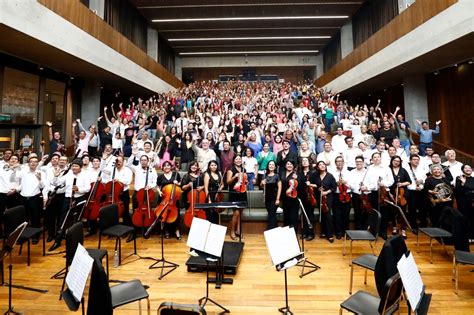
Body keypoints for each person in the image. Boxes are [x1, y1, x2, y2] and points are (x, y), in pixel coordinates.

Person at [48, 159, 91, 252]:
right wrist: (55, 176)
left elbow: (88, 188)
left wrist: (78, 189)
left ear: (80, 167)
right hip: (68, 199)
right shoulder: (69, 174)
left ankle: (76, 244)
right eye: (73, 166)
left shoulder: (85, 175)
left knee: (77, 221)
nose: (74, 168)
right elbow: (57, 183)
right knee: (63, 220)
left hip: (79, 199)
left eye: (76, 166)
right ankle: (57, 241)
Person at [361, 152, 394, 239]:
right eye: (374, 157)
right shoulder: (369, 168)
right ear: (372, 160)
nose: (376, 159)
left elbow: (391, 181)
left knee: (384, 213)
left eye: (378, 157)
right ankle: (374, 232)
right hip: (373, 193)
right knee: (374, 213)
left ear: (380, 158)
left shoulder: (386, 168)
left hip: (383, 193)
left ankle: (383, 232)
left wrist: (383, 183)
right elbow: (367, 181)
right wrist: (367, 186)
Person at [16, 156, 45, 244]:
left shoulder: (41, 172)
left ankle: (35, 236)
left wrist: (40, 179)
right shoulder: (23, 172)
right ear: (28, 163)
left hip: (34, 199)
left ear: (37, 163)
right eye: (31, 161)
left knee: (35, 219)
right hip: (23, 199)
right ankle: (22, 237)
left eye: (35, 161)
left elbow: (42, 186)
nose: (33, 163)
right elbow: (15, 179)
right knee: (23, 219)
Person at [309, 161, 337, 242]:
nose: (322, 166)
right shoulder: (314, 175)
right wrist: (315, 187)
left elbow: (334, 187)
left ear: (325, 166)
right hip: (318, 197)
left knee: (327, 215)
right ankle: (323, 232)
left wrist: (326, 192)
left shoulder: (330, 176)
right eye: (320, 165)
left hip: (328, 197)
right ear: (317, 167)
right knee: (322, 214)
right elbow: (312, 184)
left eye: (323, 164)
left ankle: (330, 235)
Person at [156, 161, 182, 239]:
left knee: (176, 215)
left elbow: (181, 184)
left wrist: (177, 183)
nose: (166, 167)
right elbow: (157, 186)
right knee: (164, 214)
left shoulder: (175, 175)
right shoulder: (160, 176)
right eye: (165, 166)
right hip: (164, 198)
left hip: (174, 199)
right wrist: (159, 191)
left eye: (168, 165)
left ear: (171, 167)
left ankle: (177, 230)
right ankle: (166, 230)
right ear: (162, 168)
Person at [388, 155, 412, 239]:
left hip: (402, 194)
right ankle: (394, 227)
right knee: (392, 211)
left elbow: (409, 182)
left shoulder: (403, 170)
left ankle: (403, 230)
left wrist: (402, 184)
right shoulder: (388, 169)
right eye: (395, 160)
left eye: (398, 161)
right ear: (392, 161)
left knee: (403, 212)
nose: (396, 162)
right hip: (391, 193)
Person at [226, 155, 248, 240]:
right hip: (234, 193)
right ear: (234, 161)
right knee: (236, 213)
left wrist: (246, 182)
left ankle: (238, 231)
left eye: (240, 159)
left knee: (240, 213)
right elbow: (228, 182)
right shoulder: (231, 170)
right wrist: (235, 176)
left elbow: (244, 182)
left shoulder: (243, 170)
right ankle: (232, 231)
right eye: (236, 159)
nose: (238, 160)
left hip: (242, 193)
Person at [330, 156, 352, 239]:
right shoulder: (332, 173)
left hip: (347, 195)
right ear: (335, 163)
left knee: (346, 215)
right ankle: (338, 232)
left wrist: (345, 183)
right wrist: (336, 184)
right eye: (337, 161)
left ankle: (346, 232)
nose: (339, 163)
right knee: (337, 215)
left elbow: (352, 186)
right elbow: (331, 185)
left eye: (341, 161)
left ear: (343, 162)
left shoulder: (349, 173)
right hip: (336, 195)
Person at [406, 154, 427, 233]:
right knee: (412, 210)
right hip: (412, 192)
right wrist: (414, 187)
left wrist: (421, 182)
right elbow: (407, 181)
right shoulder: (407, 170)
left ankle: (423, 226)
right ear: (410, 161)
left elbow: (425, 179)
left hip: (421, 191)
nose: (416, 161)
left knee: (423, 209)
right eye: (414, 159)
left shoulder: (422, 169)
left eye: (417, 159)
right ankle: (414, 226)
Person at [455, 165, 474, 241]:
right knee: (465, 219)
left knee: (473, 219)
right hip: (463, 202)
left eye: (469, 168)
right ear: (462, 170)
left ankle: (472, 236)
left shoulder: (473, 179)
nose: (468, 169)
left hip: (472, 200)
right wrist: (465, 184)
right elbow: (458, 190)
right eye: (466, 168)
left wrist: (465, 184)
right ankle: (465, 237)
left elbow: (472, 188)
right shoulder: (459, 178)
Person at [261, 160, 281, 230]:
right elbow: (262, 186)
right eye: (270, 164)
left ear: (275, 167)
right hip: (267, 198)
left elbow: (279, 188)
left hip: (274, 198)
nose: (271, 166)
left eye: (273, 165)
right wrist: (262, 183)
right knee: (271, 215)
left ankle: (270, 230)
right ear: (268, 166)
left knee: (272, 215)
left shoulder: (277, 176)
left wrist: (278, 199)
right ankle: (276, 229)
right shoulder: (265, 175)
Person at [203, 160, 223, 225]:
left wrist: (219, 189)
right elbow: (206, 188)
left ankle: (215, 232)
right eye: (212, 165)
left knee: (216, 214)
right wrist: (209, 199)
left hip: (217, 196)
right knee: (210, 214)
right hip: (210, 195)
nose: (214, 166)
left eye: (215, 165)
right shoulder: (207, 174)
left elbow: (222, 184)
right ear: (209, 167)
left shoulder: (219, 173)